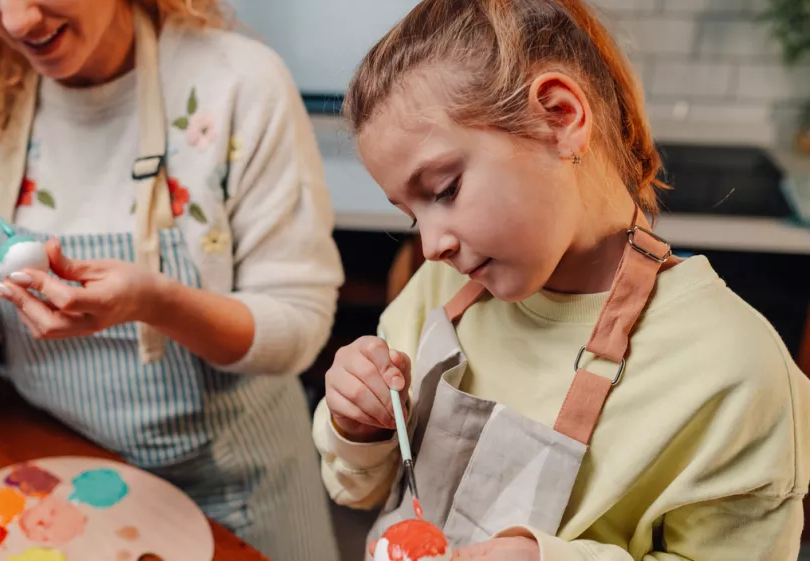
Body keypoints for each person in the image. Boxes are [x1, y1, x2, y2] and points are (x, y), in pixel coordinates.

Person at [313, 0, 810, 559]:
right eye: (412, 214)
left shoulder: (734, 373)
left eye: (445, 189)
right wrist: (359, 426)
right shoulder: (437, 291)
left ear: (558, 116)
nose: (431, 245)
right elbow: (358, 489)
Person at [0, 1, 344, 558]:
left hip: (230, 493)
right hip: (55, 481)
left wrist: (158, 303)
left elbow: (298, 326)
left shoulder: (237, 83)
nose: (18, 20)